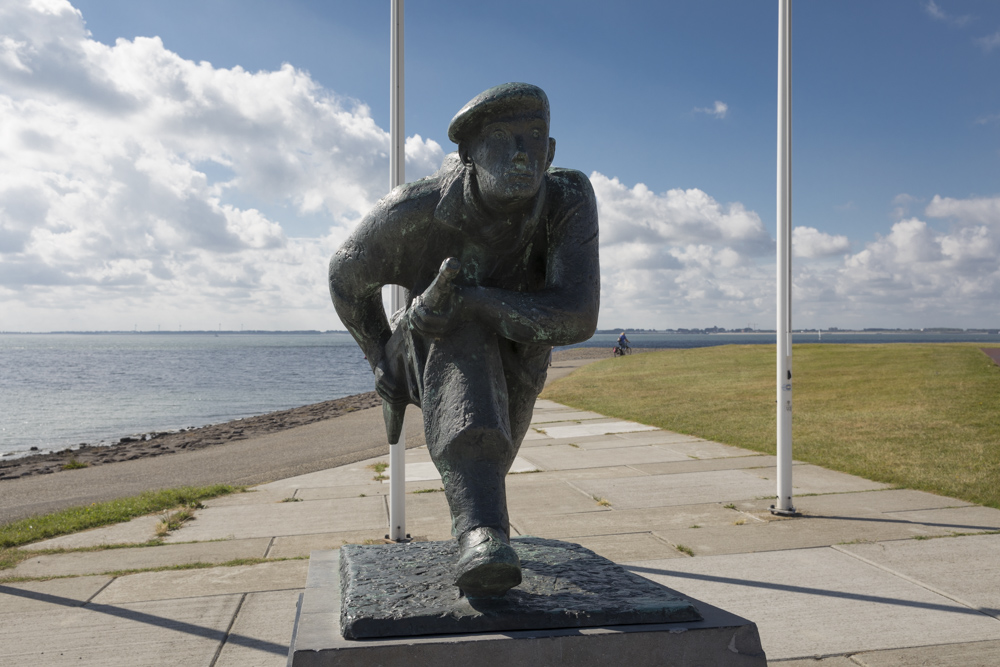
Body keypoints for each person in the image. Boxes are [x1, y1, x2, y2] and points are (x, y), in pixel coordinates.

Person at [329, 83, 599, 597]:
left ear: (552, 151)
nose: (522, 152)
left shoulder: (567, 197)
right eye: (502, 137)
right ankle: (481, 537)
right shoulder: (415, 209)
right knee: (462, 333)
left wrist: (476, 299)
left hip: (522, 351)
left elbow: (577, 316)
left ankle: (481, 521)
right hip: (432, 343)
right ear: (467, 153)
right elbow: (345, 277)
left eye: (534, 137)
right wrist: (379, 358)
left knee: (489, 461)